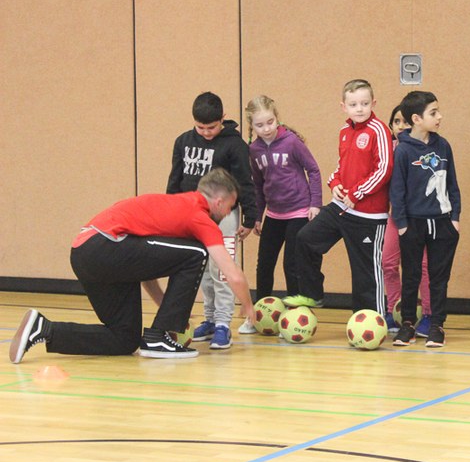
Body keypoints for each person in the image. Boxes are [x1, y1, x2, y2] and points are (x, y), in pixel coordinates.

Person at [9, 169, 255, 363]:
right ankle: (158, 338)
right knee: (197, 252)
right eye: (230, 206)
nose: (228, 214)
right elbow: (232, 273)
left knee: (124, 339)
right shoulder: (197, 215)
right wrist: (247, 306)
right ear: (219, 201)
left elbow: (143, 266)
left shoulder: (172, 208)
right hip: (103, 246)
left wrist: (166, 307)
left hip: (85, 253)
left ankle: (44, 329)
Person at [288, 79, 393, 314]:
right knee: (305, 238)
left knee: (365, 271)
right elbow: (341, 165)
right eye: (353, 104)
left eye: (365, 103)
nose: (360, 109)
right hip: (341, 208)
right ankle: (312, 295)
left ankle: (371, 318)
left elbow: (384, 168)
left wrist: (356, 193)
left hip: (368, 215)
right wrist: (334, 183)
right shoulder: (344, 132)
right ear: (343, 107)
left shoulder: (379, 130)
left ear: (373, 103)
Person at [167, 92, 257, 350]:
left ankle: (223, 325)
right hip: (191, 216)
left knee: (222, 271)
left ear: (223, 118)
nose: (206, 133)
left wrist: (250, 217)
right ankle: (209, 319)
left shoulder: (235, 146)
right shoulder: (183, 141)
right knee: (202, 270)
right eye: (201, 127)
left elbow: (245, 183)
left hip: (225, 217)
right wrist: (171, 212)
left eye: (212, 127)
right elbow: (175, 180)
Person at [245, 95, 322, 334]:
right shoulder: (254, 150)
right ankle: (258, 313)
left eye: (270, 122)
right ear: (251, 126)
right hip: (274, 214)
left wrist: (315, 203)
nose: (266, 129)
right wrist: (258, 215)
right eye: (260, 125)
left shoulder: (291, 142)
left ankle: (294, 314)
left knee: (292, 264)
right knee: (264, 264)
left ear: (277, 118)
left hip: (299, 210)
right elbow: (258, 185)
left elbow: (313, 170)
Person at [391, 91, 461, 348]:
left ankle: (436, 325)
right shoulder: (403, 151)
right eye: (433, 113)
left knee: (438, 278)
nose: (439, 116)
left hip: (442, 223)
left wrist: (454, 218)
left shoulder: (443, 146)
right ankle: (408, 324)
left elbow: (452, 184)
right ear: (416, 119)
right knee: (411, 276)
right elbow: (397, 191)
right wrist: (402, 225)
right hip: (413, 224)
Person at [382, 104, 432, 333]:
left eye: (406, 122)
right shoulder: (387, 150)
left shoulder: (423, 150)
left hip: (419, 217)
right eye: (396, 122)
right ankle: (394, 311)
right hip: (396, 216)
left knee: (423, 266)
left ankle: (429, 314)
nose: (401, 126)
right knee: (388, 263)